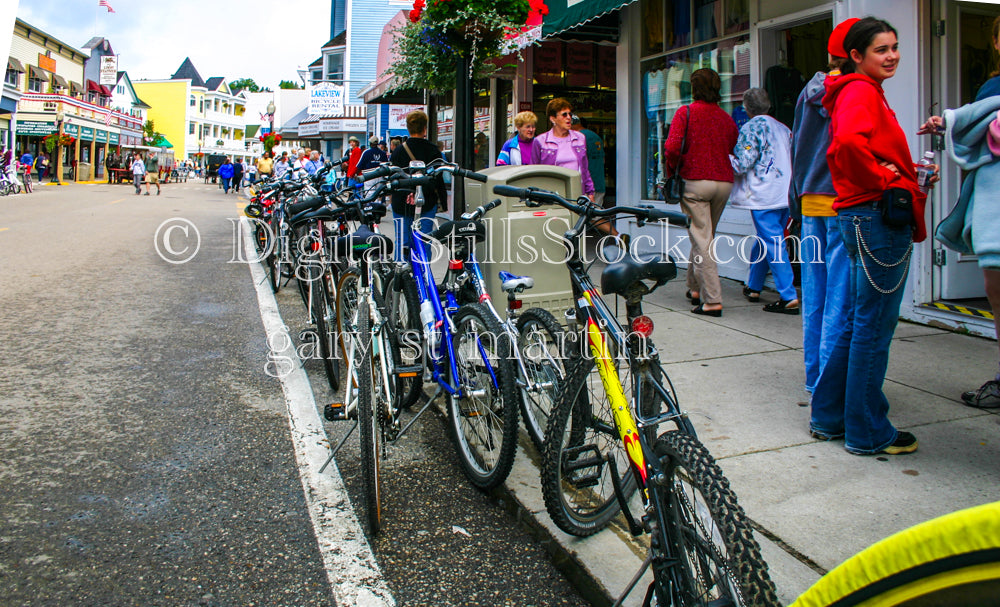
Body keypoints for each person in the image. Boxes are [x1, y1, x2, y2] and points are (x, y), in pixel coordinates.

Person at [809, 17, 934, 455]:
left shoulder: (856, 89)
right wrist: (887, 180)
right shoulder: (861, 90)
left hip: (863, 215)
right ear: (856, 56)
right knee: (872, 326)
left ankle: (830, 417)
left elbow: (856, 147)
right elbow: (847, 145)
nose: (892, 55)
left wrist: (899, 174)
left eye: (894, 47)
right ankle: (867, 431)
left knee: (857, 322)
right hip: (876, 218)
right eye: (882, 49)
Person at [918, 14, 1000, 409]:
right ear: (996, 43)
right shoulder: (993, 89)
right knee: (997, 293)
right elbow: (973, 136)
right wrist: (951, 123)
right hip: (995, 211)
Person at [793, 18, 857, 395]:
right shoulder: (852, 92)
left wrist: (797, 195)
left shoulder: (809, 90)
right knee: (840, 296)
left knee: (816, 294)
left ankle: (815, 377)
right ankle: (831, 385)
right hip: (841, 197)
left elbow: (798, 145)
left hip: (811, 198)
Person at [663, 68, 739, 317]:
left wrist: (674, 168)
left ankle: (713, 300)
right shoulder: (726, 118)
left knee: (702, 239)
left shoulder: (685, 112)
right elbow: (732, 144)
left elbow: (672, 147)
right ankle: (694, 288)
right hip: (723, 182)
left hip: (695, 181)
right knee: (703, 236)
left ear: (694, 88)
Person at [728, 88, 799, 314]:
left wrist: (724, 156)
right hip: (784, 193)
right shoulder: (784, 128)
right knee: (767, 239)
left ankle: (788, 295)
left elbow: (742, 162)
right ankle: (754, 285)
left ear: (746, 107)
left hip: (763, 194)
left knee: (773, 242)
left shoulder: (751, 128)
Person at [389, 110, 447, 257]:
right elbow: (438, 177)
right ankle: (423, 270)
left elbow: (392, 177)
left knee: (402, 242)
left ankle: (402, 270)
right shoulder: (433, 150)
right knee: (424, 242)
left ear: (408, 128)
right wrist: (442, 201)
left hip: (402, 202)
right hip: (426, 202)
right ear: (424, 128)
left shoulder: (398, 151)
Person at [572, 114, 621, 240]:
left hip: (586, 185)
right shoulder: (595, 137)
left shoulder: (578, 137)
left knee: (592, 217)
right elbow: (603, 159)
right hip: (598, 182)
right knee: (591, 216)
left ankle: (619, 236)